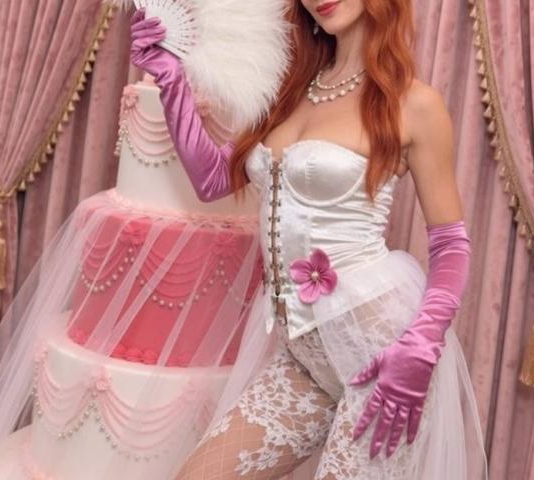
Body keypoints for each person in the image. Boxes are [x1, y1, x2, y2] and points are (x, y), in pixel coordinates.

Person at [137, 1, 489, 478]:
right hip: (305, 358)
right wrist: (170, 78)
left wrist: (422, 342)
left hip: (380, 357)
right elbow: (214, 178)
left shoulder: (413, 104)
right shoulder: (287, 89)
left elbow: (450, 245)